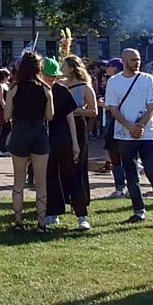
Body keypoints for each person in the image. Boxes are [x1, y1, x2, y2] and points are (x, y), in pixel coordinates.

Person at [103, 48, 153, 227]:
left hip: (147, 134)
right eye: (133, 60)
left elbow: (152, 106)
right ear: (124, 61)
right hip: (124, 135)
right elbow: (113, 109)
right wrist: (129, 126)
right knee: (131, 175)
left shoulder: (147, 79)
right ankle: (138, 211)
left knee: (152, 173)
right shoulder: (114, 82)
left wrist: (139, 125)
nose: (137, 62)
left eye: (138, 59)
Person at [3, 52, 53, 232]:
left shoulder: (14, 88)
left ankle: (18, 221)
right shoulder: (46, 89)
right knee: (41, 183)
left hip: (19, 132)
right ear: (39, 68)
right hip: (39, 132)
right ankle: (41, 223)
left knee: (18, 180)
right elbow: (50, 115)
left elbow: (6, 115)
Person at [44, 55, 93, 231]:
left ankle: (81, 215)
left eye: (53, 76)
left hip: (63, 138)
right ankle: (52, 212)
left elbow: (70, 118)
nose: (51, 79)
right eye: (48, 75)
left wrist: (75, 143)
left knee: (72, 176)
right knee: (50, 177)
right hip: (46, 141)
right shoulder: (38, 90)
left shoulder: (62, 90)